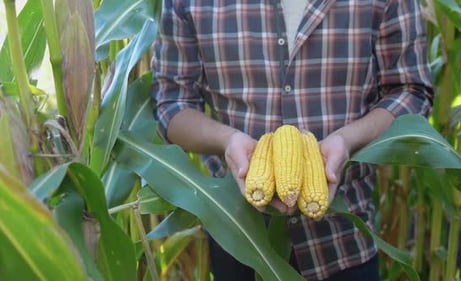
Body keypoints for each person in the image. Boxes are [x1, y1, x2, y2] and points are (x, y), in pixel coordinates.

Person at [151, 0, 434, 280]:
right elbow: (172, 105)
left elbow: (410, 91)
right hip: (238, 237)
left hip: (344, 240)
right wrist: (228, 140)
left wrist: (347, 141)